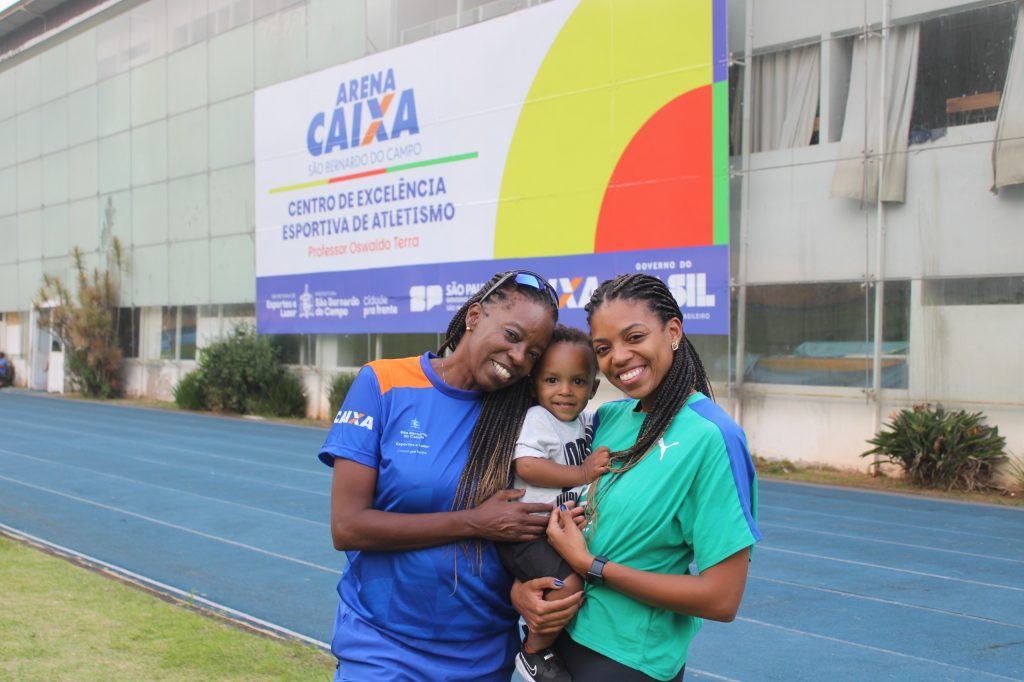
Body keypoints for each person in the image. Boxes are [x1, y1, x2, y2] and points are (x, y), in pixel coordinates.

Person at [318, 270, 583, 682]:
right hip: (382, 645)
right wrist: (474, 522)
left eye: (533, 353)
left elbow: (521, 530)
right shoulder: (384, 383)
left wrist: (520, 591)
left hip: (481, 655)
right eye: (512, 335)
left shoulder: (527, 418)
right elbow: (347, 527)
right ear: (474, 316)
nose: (518, 357)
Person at [534, 273, 762, 681]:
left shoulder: (712, 436)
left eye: (634, 337)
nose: (618, 357)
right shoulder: (608, 418)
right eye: (603, 348)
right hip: (561, 636)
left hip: (627, 660)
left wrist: (590, 565)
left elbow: (722, 598)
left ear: (673, 331)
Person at [496, 324, 611, 682]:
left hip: (553, 531)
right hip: (527, 533)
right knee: (570, 586)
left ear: (593, 388)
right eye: (552, 381)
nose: (565, 391)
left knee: (579, 582)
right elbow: (527, 465)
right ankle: (532, 652)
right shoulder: (538, 418)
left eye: (577, 382)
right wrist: (582, 473)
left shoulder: (581, 425)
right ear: (535, 384)